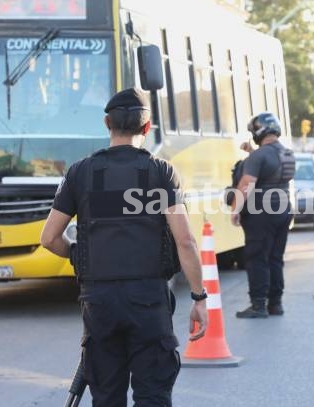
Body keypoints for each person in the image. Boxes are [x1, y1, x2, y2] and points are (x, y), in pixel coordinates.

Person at [40, 88, 208, 406]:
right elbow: (185, 241)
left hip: (99, 304)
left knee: (106, 396)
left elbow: (49, 238)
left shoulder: (80, 172)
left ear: (107, 123)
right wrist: (199, 297)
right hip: (148, 303)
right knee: (153, 395)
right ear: (147, 128)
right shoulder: (162, 172)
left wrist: (78, 254)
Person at [231, 112, 295, 318]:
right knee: (275, 258)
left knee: (257, 258)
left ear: (259, 131)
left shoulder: (259, 156)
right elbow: (271, 170)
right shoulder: (287, 153)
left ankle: (258, 305)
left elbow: (246, 183)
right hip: (283, 210)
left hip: (261, 213)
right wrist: (252, 153)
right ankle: (275, 304)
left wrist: (235, 209)